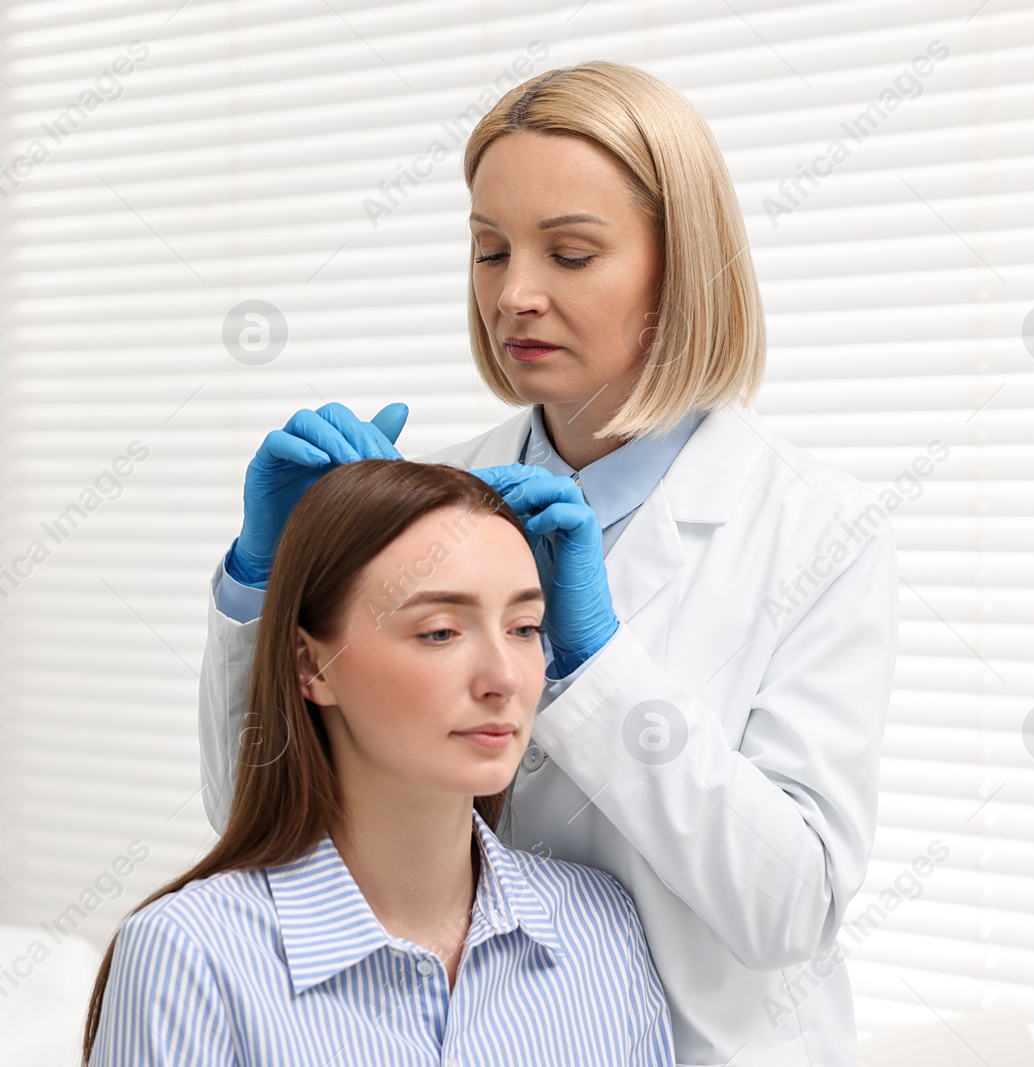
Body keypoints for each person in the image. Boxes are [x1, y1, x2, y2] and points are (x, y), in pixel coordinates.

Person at [199, 60, 899, 1066]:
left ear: (680, 268)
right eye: (489, 251)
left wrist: (595, 666)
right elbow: (265, 832)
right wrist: (263, 590)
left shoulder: (812, 529)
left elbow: (789, 905)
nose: (515, 294)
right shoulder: (440, 496)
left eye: (570, 253)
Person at [84, 461, 676, 1065]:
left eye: (524, 628)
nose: (504, 678)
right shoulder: (189, 956)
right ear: (312, 666)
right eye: (441, 632)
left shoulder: (601, 930)